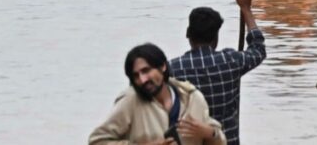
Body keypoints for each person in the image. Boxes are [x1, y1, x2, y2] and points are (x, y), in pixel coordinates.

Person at [170, 0, 266, 145]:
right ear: (216, 37)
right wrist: (246, 9)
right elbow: (258, 49)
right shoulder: (231, 61)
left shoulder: (172, 69)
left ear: (188, 33)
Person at [89, 43, 225, 145]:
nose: (142, 80)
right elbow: (97, 141)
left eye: (146, 71)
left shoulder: (191, 98)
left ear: (163, 66)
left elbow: (220, 140)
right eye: (136, 76)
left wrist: (210, 133)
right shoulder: (131, 100)